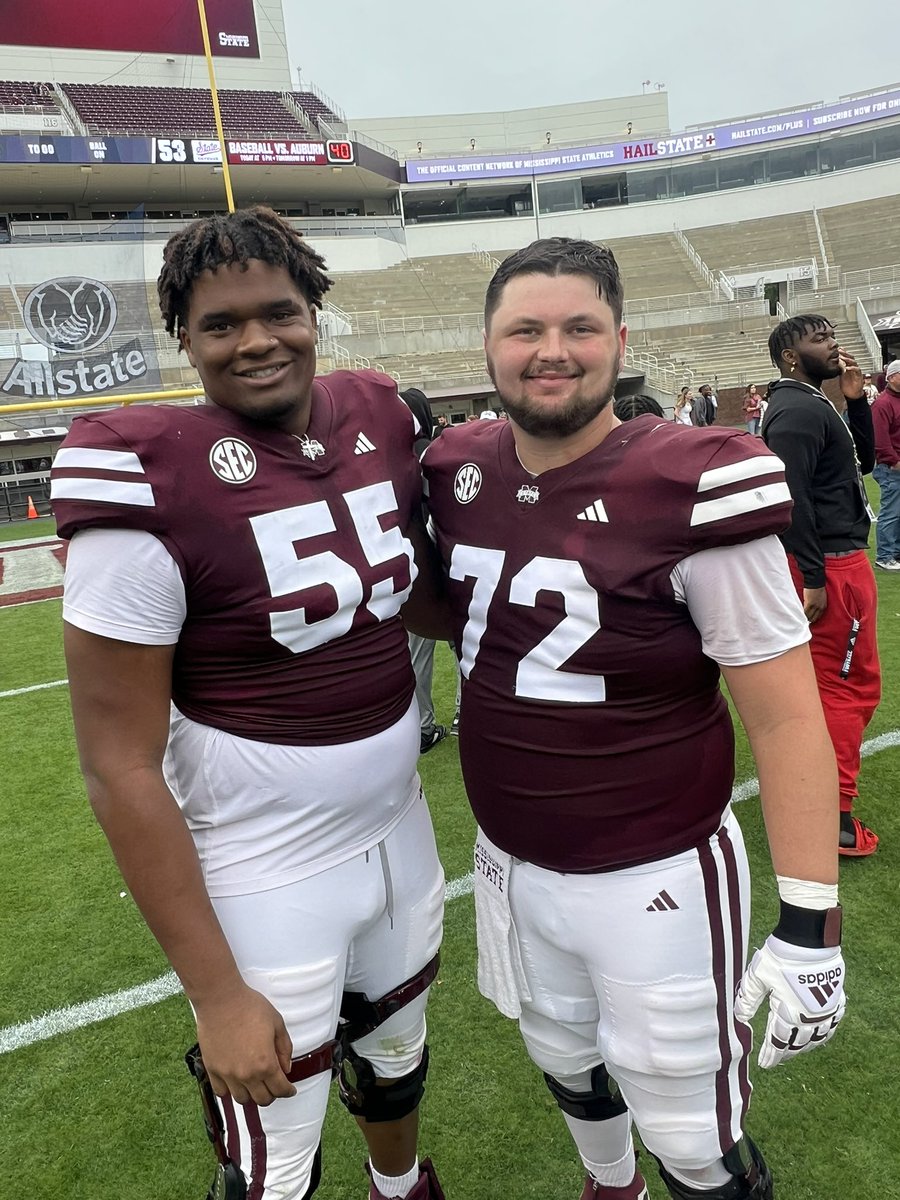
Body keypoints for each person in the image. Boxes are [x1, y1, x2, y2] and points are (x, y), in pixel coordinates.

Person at [423, 238, 845, 1200]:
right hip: (511, 860)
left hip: (657, 868)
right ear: (487, 348)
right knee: (565, 1060)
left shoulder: (696, 479)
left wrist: (812, 922)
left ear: (621, 339)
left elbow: (784, 720)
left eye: (579, 327)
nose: (551, 350)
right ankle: (609, 1187)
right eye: (524, 329)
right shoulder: (456, 468)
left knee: (692, 1137)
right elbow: (456, 608)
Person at [51, 208, 447, 1200]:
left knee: (398, 1057)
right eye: (221, 324)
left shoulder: (380, 414)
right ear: (183, 339)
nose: (257, 340)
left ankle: (400, 1191)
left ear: (316, 312)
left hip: (398, 824)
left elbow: (432, 588)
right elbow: (118, 763)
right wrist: (216, 992)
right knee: (272, 1158)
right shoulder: (141, 468)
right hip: (264, 863)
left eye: (280, 312)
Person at [762, 315, 880, 858]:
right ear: (791, 355)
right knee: (847, 688)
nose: (835, 345)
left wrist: (855, 403)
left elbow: (862, 465)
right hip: (831, 566)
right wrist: (812, 577)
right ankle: (834, 818)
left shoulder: (811, 403)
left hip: (833, 562)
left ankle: (815, 798)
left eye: (833, 336)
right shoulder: (796, 411)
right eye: (820, 339)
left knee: (829, 686)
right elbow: (793, 502)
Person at [401, 387, 450, 753]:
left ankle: (422, 724)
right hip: (454, 558)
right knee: (469, 643)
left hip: (416, 564)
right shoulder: (438, 453)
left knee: (417, 651)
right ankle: (468, 714)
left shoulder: (394, 455)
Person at [871, 360, 900, 570]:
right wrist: (894, 462)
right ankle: (885, 556)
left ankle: (895, 552)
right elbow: (880, 440)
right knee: (891, 512)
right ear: (891, 377)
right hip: (891, 467)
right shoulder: (882, 404)